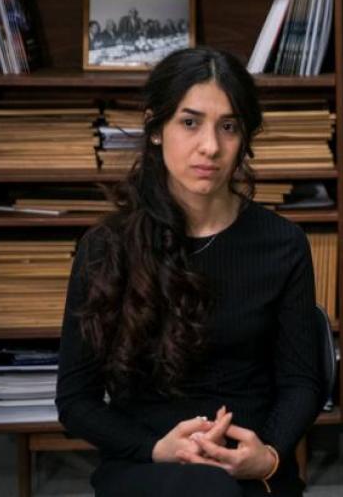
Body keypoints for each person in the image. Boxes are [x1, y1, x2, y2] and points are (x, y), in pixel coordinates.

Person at [56, 47, 322, 497]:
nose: (211, 146)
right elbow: (76, 400)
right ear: (156, 128)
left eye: (229, 126)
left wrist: (270, 454)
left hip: (248, 460)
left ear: (245, 138)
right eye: (189, 122)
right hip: (146, 460)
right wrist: (155, 447)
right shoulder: (105, 247)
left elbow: (302, 381)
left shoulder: (282, 243)